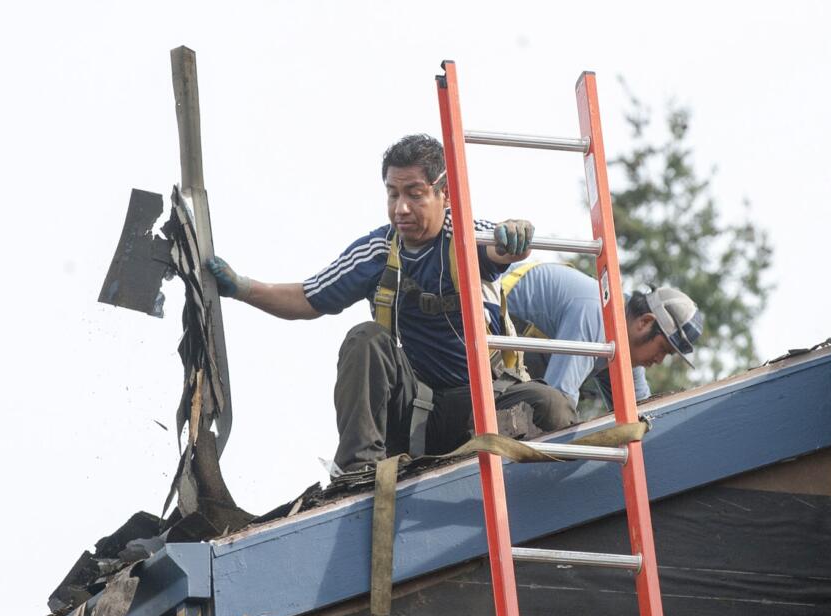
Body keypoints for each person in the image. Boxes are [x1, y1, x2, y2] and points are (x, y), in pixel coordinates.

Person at [204, 133, 576, 471]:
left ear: (444, 194)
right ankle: (356, 470)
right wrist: (242, 288)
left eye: (414, 193)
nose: (401, 208)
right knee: (365, 338)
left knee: (552, 404)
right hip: (418, 414)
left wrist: (513, 234)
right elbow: (307, 298)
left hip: (487, 407)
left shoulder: (463, 237)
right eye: (392, 193)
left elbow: (498, 246)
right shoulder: (376, 252)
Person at [500, 261, 704, 412]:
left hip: (509, 363)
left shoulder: (625, 348)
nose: (659, 360)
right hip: (484, 326)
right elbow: (558, 401)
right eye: (662, 349)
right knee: (556, 413)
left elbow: (642, 413)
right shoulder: (597, 314)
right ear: (645, 322)